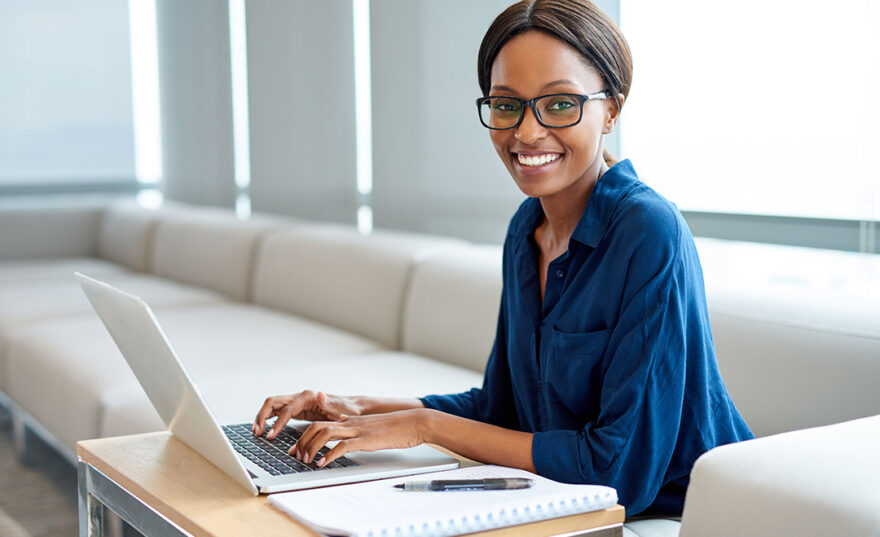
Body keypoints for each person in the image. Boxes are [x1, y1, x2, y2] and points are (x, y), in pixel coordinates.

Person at [252, 0, 753, 517]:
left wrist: (424, 427)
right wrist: (353, 408)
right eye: (507, 104)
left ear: (612, 110)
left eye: (560, 104)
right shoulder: (526, 230)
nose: (527, 133)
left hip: (693, 512)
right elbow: (502, 409)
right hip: (566, 502)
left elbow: (617, 470)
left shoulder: (648, 231)